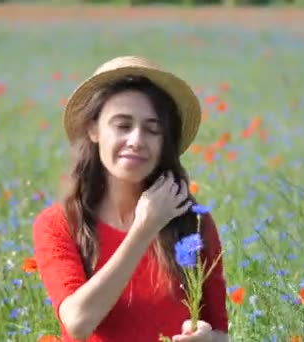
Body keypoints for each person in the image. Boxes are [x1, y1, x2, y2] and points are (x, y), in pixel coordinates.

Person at [32, 56, 229, 342]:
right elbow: (78, 321)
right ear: (94, 129)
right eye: (123, 126)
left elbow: (221, 332)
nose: (136, 140)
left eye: (152, 129)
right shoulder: (59, 224)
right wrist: (144, 229)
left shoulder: (192, 221)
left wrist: (208, 339)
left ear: (165, 143)